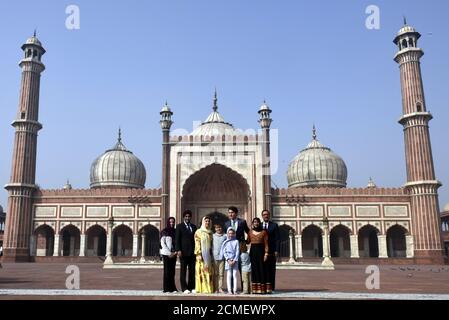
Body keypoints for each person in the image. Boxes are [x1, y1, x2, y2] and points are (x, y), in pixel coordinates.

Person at [224, 206, 249, 289]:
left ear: (236, 213)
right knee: (231, 269)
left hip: (241, 247)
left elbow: (249, 232)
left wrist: (247, 241)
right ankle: (231, 288)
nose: (230, 214)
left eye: (232, 212)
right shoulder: (226, 223)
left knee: (242, 268)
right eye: (229, 212)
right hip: (231, 249)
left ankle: (244, 288)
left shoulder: (242, 222)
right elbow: (225, 236)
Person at [175, 209, 197, 294]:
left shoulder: (194, 227)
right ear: (183, 217)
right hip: (183, 253)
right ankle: (184, 288)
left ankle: (191, 287)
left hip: (192, 252)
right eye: (186, 216)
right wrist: (178, 250)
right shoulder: (179, 226)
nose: (187, 218)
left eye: (189, 216)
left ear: (190, 217)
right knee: (183, 271)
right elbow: (177, 239)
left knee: (192, 271)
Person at [247, 217, 270, 294]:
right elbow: (247, 241)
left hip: (261, 252)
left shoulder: (264, 232)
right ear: (253, 223)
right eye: (254, 222)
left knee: (262, 269)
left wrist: (266, 253)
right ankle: (255, 289)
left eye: (257, 222)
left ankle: (263, 289)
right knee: (254, 269)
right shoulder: (250, 232)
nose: (256, 223)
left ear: (259, 223)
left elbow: (266, 243)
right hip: (253, 252)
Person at [194, 216, 214, 294]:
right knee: (201, 271)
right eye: (206, 221)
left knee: (208, 271)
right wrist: (198, 253)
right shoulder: (199, 232)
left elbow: (212, 244)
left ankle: (209, 288)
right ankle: (202, 288)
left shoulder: (210, 232)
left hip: (208, 255)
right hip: (201, 255)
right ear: (203, 222)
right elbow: (197, 243)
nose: (207, 223)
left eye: (208, 221)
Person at [261, 210, 280, 292]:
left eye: (267, 214)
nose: (266, 216)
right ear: (262, 216)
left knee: (271, 269)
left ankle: (272, 288)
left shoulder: (274, 225)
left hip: (271, 250)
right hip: (261, 251)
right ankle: (263, 287)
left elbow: (277, 239)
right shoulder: (259, 225)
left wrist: (276, 250)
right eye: (264, 214)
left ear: (269, 215)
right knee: (262, 269)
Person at [160, 217, 178, 293]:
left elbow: (177, 242)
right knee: (167, 271)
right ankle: (166, 288)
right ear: (168, 222)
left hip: (174, 254)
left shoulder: (175, 231)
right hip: (166, 254)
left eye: (173, 222)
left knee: (172, 271)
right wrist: (169, 253)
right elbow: (162, 243)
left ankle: (172, 288)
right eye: (170, 222)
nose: (172, 223)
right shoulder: (164, 231)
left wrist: (175, 252)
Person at [220, 227, 240, 295]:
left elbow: (237, 251)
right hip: (228, 260)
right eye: (229, 233)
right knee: (229, 275)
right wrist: (228, 259)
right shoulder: (225, 242)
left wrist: (234, 260)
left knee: (234, 275)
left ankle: (235, 290)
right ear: (227, 234)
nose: (230, 235)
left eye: (232, 233)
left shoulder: (236, 241)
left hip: (235, 260)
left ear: (234, 234)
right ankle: (229, 290)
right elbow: (224, 251)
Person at [212, 224, 227, 293]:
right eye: (217, 228)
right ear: (215, 229)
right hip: (214, 257)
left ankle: (220, 288)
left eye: (220, 227)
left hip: (222, 257)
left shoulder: (225, 236)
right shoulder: (212, 236)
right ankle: (215, 288)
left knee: (221, 274)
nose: (219, 229)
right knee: (215, 274)